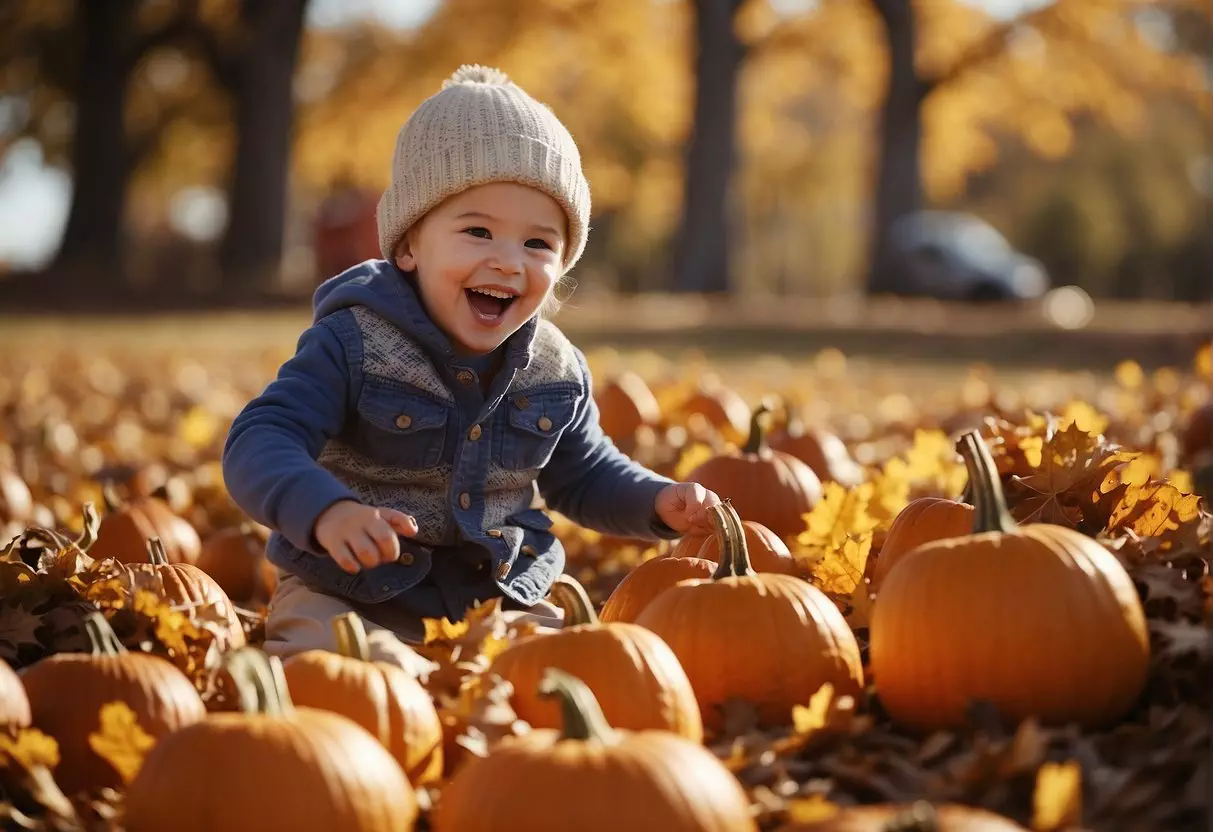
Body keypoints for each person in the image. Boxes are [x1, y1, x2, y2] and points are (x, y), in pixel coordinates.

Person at [221, 64, 722, 668]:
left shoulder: (557, 370)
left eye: (538, 244)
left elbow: (584, 473)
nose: (509, 262)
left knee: (572, 673)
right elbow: (260, 440)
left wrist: (655, 500)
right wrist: (326, 511)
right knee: (345, 670)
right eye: (479, 231)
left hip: (499, 594)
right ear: (408, 245)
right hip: (351, 591)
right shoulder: (352, 342)